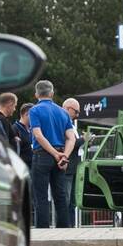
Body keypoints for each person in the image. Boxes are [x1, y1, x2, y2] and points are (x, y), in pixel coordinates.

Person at [28, 80, 76, 228]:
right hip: (61, 156)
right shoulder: (63, 112)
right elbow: (71, 137)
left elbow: (38, 135)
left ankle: (43, 230)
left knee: (41, 196)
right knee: (60, 195)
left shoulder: (34, 111)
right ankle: (64, 229)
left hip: (42, 155)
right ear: (52, 93)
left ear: (36, 94)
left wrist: (55, 154)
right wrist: (64, 156)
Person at [61, 98, 85, 227]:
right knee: (66, 199)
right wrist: (83, 140)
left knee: (72, 201)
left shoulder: (70, 123)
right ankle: (65, 225)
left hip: (74, 167)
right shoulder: (63, 122)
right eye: (76, 112)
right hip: (68, 167)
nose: (77, 115)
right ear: (68, 108)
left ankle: (70, 226)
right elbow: (69, 143)